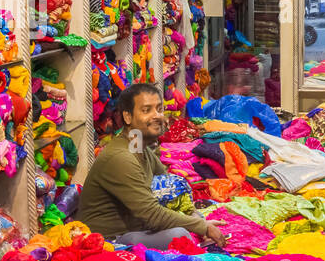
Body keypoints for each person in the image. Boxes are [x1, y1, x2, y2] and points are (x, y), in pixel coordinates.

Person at [76, 83, 228, 250]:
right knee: (179, 236)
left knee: (195, 222)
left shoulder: (139, 147)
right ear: (127, 117)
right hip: (107, 241)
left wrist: (197, 218)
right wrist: (201, 226)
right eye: (146, 110)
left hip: (136, 229)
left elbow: (170, 191)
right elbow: (152, 215)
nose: (157, 116)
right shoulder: (121, 158)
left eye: (159, 109)